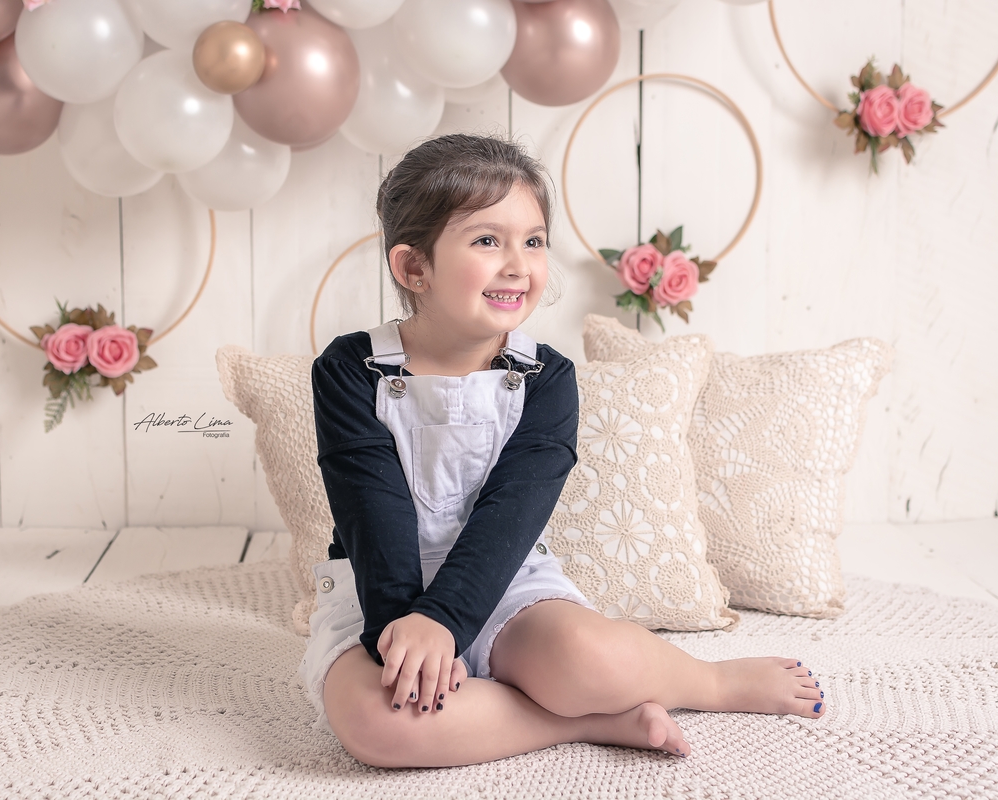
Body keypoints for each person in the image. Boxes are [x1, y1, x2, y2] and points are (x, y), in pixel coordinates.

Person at [300, 133, 825, 768]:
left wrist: (447, 618)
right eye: (486, 240)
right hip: (382, 590)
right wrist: (407, 630)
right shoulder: (349, 370)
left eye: (533, 241)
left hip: (504, 579)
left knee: (591, 658)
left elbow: (512, 513)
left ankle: (709, 681)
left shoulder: (546, 380)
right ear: (415, 267)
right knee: (380, 725)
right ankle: (592, 723)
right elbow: (371, 510)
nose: (518, 265)